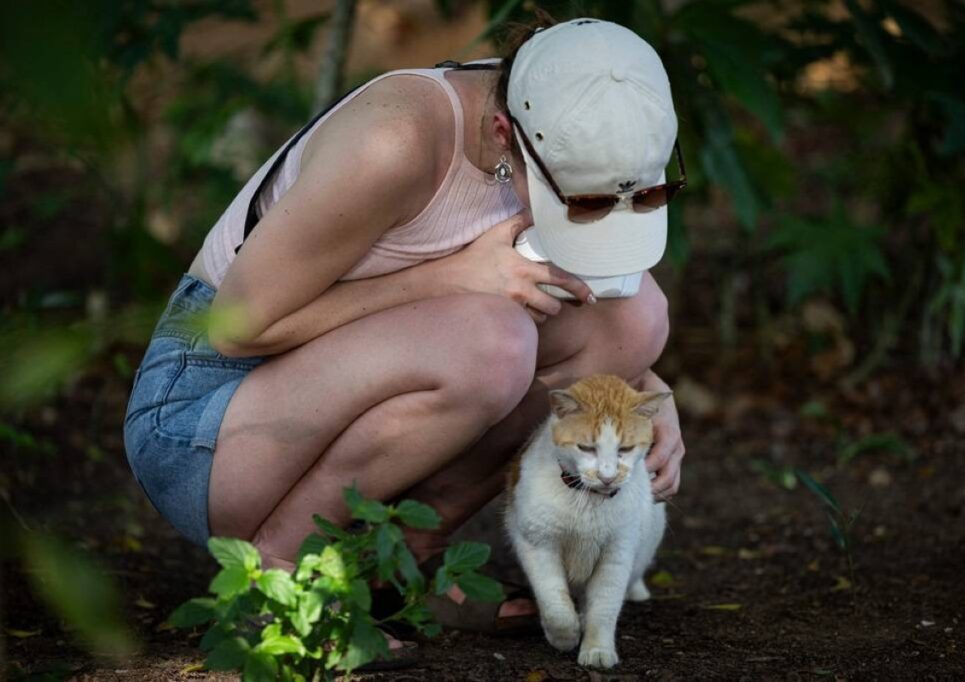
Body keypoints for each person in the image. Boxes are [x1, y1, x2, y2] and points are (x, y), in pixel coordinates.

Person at [123, 14, 687, 632]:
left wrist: (642, 393)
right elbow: (233, 327)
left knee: (636, 320)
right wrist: (451, 276)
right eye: (579, 203)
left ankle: (412, 561)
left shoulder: (574, 129)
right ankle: (281, 572)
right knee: (493, 343)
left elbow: (611, 322)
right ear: (505, 133)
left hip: (346, 379)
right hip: (204, 424)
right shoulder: (397, 139)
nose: (592, 214)